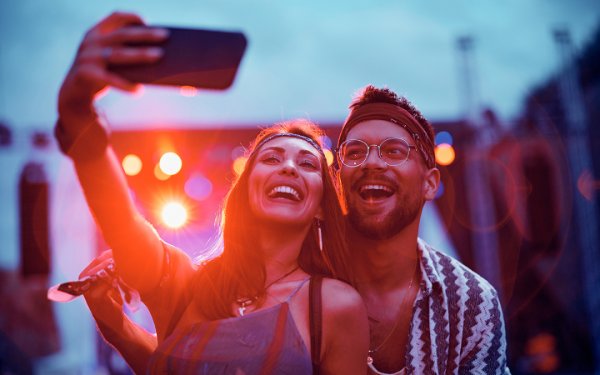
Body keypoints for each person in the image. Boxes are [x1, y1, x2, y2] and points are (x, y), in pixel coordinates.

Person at [55, 11, 369, 375]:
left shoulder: (334, 305)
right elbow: (122, 223)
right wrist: (78, 116)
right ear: (246, 190)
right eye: (271, 158)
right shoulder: (187, 284)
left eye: (308, 164)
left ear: (320, 208)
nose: (289, 168)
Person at [336, 85, 510, 374]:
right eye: (355, 152)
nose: (372, 163)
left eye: (394, 151)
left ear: (429, 184)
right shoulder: (305, 288)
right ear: (337, 181)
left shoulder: (471, 302)